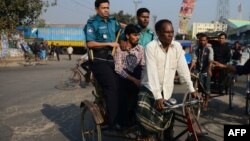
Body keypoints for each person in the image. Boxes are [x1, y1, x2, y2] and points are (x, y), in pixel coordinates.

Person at [136, 19, 197, 140]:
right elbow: (152, 72)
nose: (170, 34)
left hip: (167, 90)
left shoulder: (177, 47)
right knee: (144, 118)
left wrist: (192, 89)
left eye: (172, 32)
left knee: (169, 118)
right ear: (158, 33)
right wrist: (158, 96)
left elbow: (183, 68)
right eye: (167, 32)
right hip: (150, 88)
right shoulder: (150, 47)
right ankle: (144, 135)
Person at [83, 0, 121, 130]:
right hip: (98, 60)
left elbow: (120, 27)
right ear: (97, 9)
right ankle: (112, 121)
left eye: (108, 8)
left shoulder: (112, 22)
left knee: (123, 85)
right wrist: (109, 44)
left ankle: (123, 117)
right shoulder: (92, 24)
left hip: (112, 58)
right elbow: (90, 44)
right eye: (103, 8)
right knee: (111, 87)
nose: (106, 10)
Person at [114, 24, 145, 128]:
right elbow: (118, 68)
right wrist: (133, 80)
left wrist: (141, 79)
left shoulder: (140, 48)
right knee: (123, 98)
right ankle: (121, 122)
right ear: (127, 36)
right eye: (135, 35)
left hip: (137, 77)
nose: (137, 37)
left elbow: (143, 65)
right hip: (124, 79)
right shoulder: (120, 49)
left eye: (138, 35)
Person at [189, 33, 214, 110]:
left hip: (206, 70)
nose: (202, 42)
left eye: (204, 40)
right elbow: (194, 60)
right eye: (200, 40)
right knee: (193, 84)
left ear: (206, 41)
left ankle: (206, 102)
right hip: (198, 69)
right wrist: (190, 69)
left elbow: (210, 60)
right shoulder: (195, 48)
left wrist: (209, 69)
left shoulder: (210, 49)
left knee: (207, 87)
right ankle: (196, 96)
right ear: (199, 41)